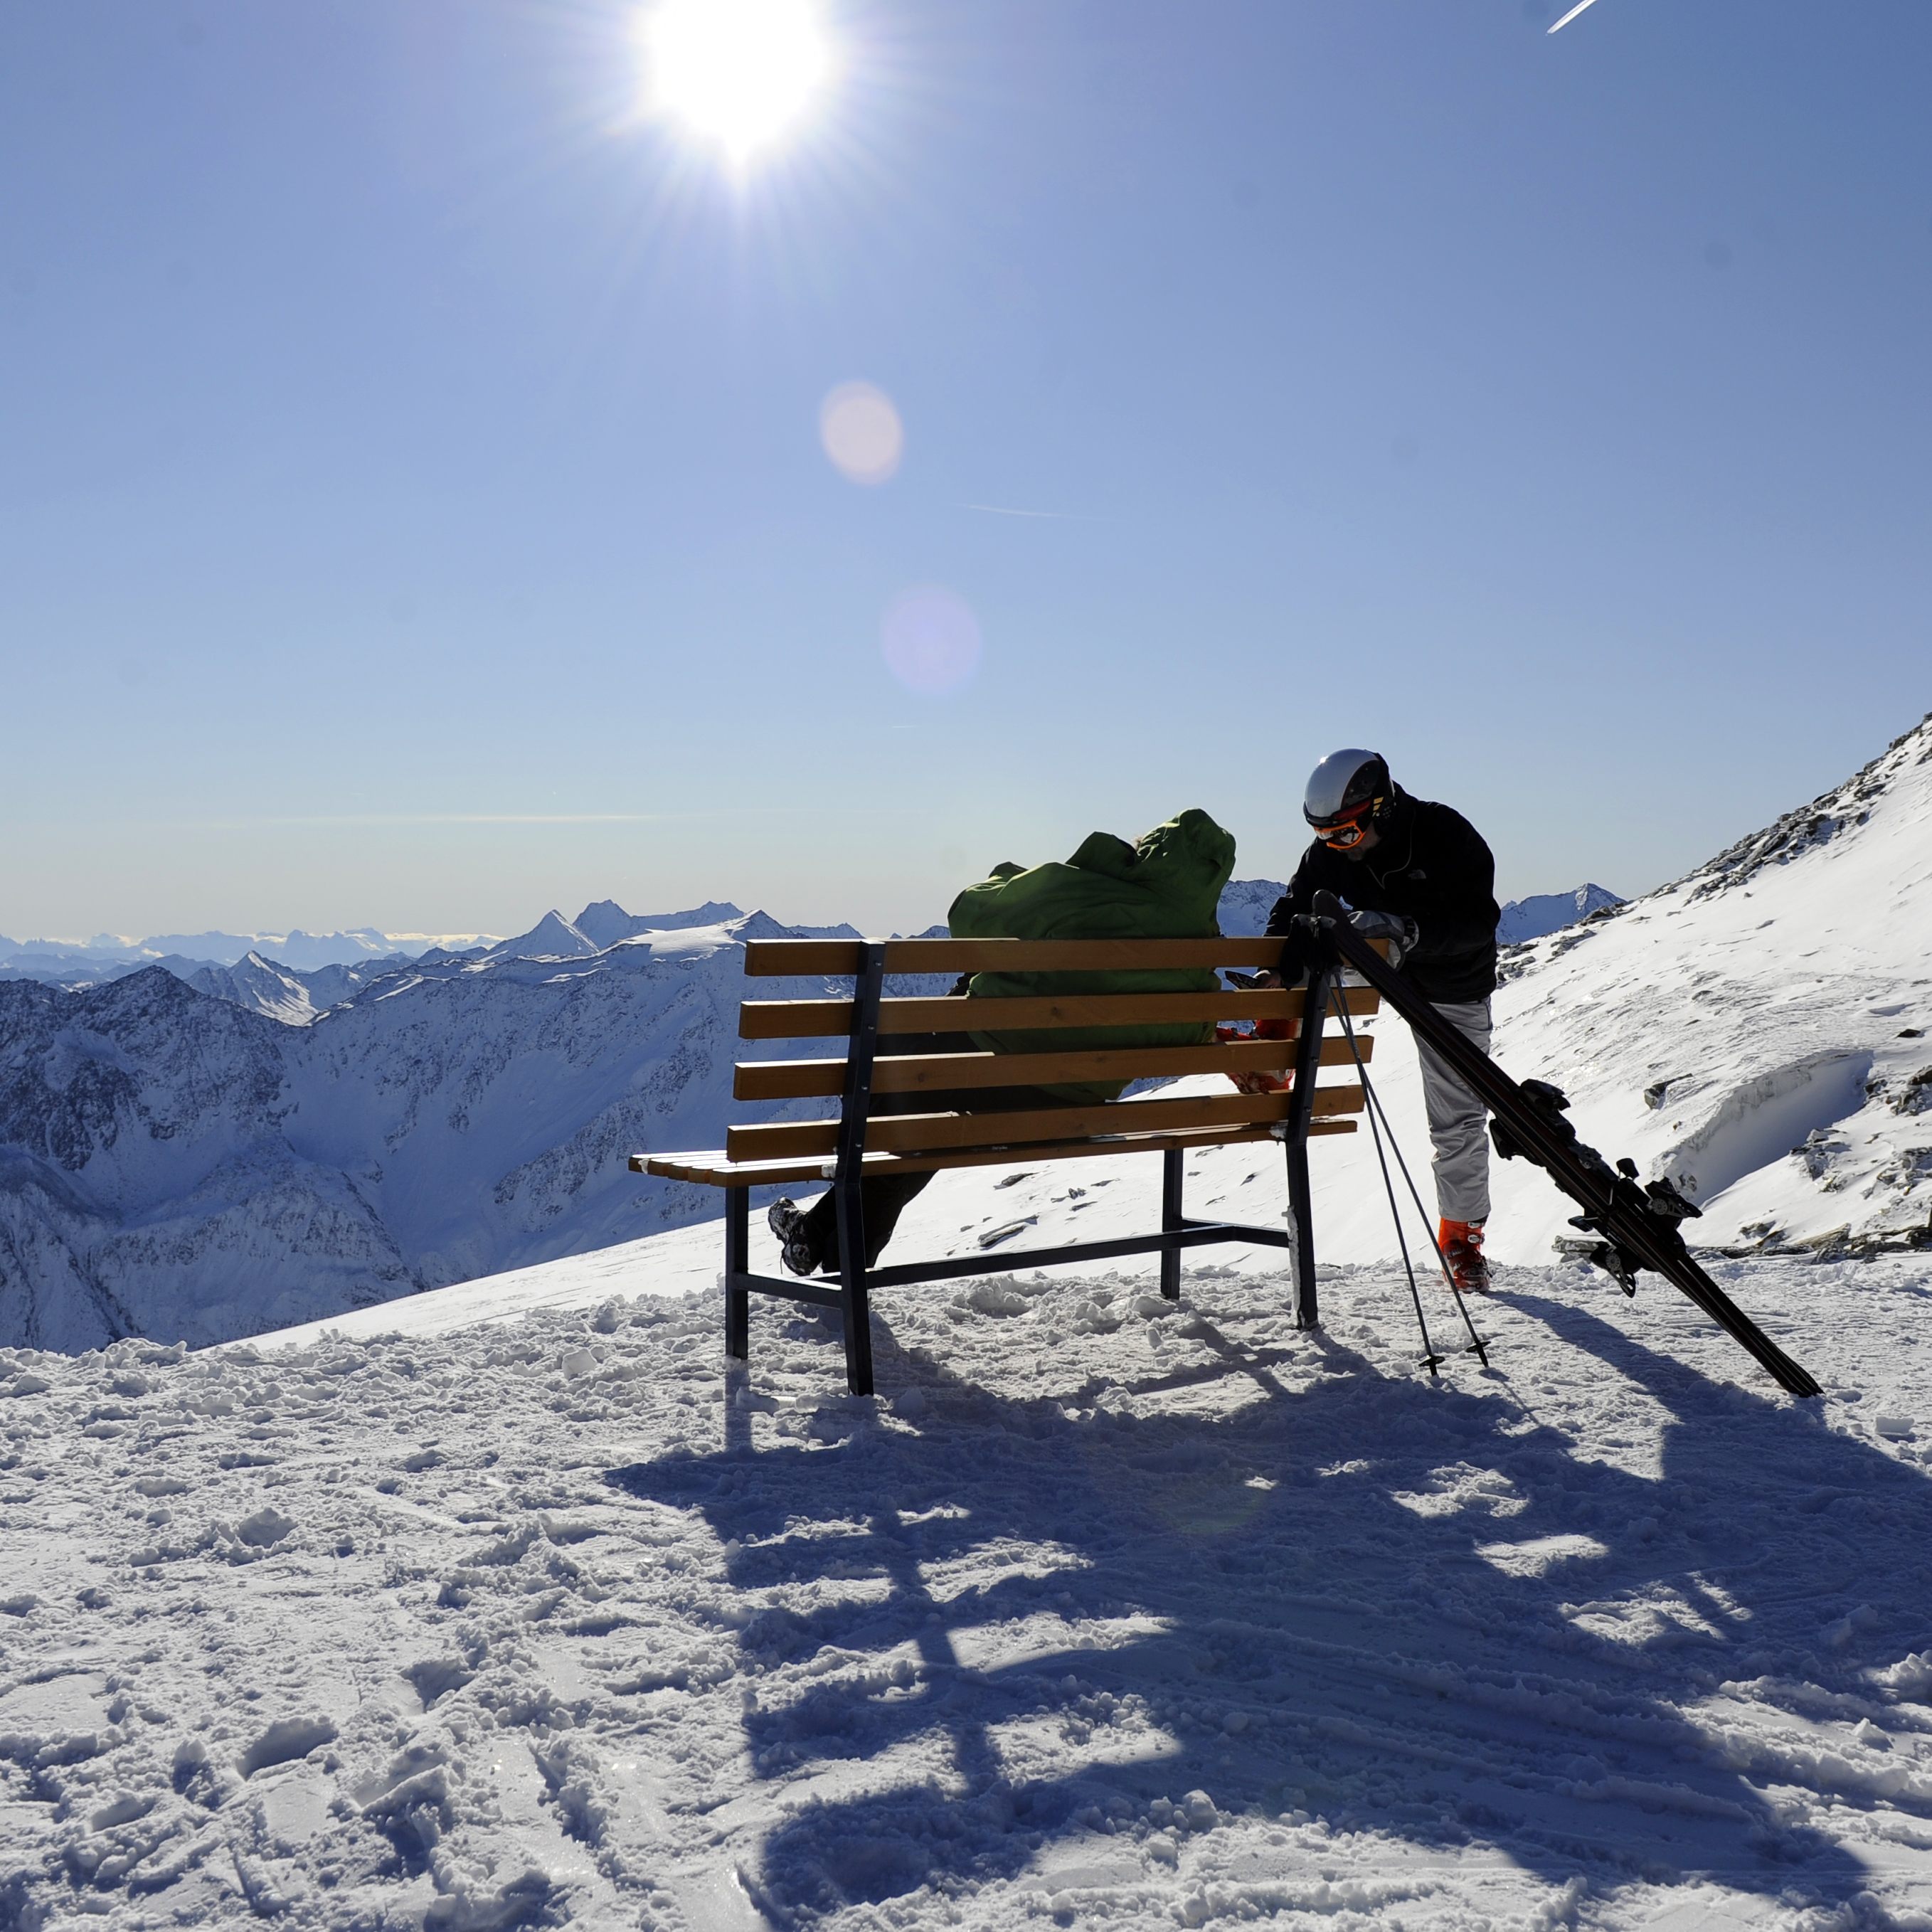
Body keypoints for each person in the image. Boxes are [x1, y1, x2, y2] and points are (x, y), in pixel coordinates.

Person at [768, 808, 1237, 1279]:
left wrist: (1022, 881)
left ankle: (830, 1243)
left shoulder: (1091, 891)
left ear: (1152, 852)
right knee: (922, 1122)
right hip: (1072, 1104)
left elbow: (968, 913)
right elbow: (1192, 1032)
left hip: (995, 1072)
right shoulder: (1199, 944)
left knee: (899, 1083)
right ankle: (820, 1234)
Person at [1265, 750, 1501, 1291]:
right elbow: (1292, 903)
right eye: (1324, 837)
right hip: (1376, 964)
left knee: (1458, 1118)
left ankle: (1461, 1240)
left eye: (1346, 834)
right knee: (1305, 964)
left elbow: (1477, 924)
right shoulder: (1333, 849)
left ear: (1384, 809)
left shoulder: (1446, 834)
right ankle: (1269, 1063)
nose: (1335, 848)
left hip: (1450, 981)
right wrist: (1286, 950)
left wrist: (1407, 930)